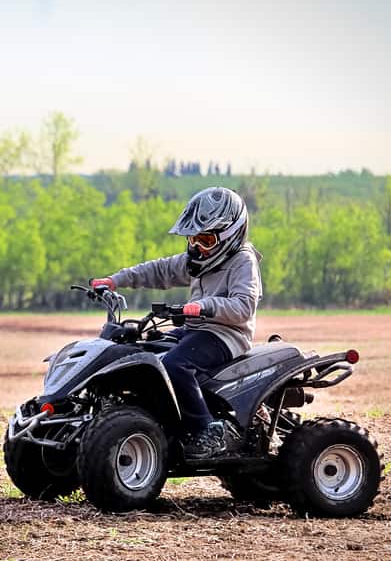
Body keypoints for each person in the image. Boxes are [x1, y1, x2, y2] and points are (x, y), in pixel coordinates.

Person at [90, 187, 262, 459]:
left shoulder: (243, 261)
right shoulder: (199, 260)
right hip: (195, 329)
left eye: (204, 239)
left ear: (229, 235)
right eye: (193, 238)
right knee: (144, 352)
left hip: (226, 335)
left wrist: (203, 307)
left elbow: (243, 307)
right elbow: (159, 270)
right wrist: (115, 280)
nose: (196, 246)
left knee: (175, 365)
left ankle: (208, 432)